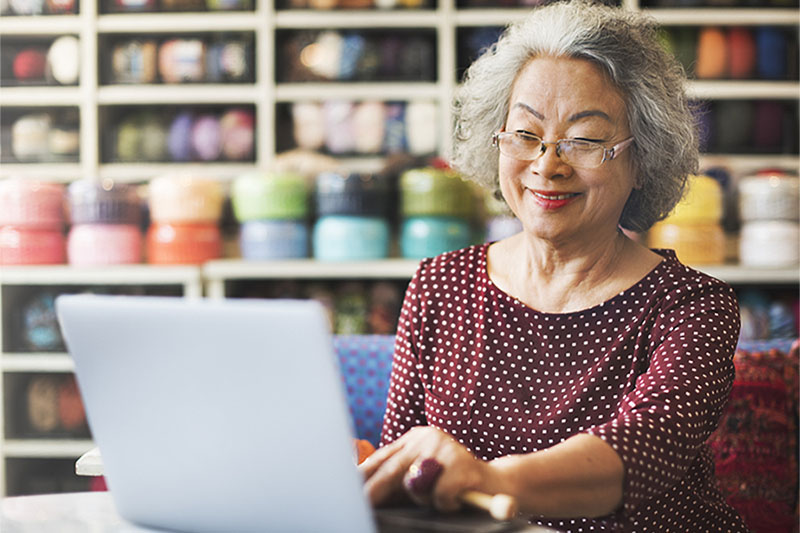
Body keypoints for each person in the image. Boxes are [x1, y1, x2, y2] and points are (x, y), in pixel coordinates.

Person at [359, 1, 750, 531]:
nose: (547, 165)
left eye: (585, 139)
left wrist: (488, 479)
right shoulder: (439, 284)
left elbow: (639, 453)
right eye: (525, 134)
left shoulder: (692, 307)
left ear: (643, 159)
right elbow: (401, 472)